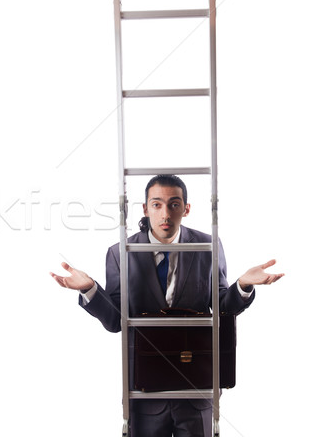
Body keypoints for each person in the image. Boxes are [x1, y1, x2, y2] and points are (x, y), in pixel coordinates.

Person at [50, 174, 283, 437]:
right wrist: (89, 288)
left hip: (196, 387)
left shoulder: (207, 245)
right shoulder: (120, 253)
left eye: (174, 204)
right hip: (144, 389)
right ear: (146, 209)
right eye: (157, 204)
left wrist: (242, 285)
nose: (166, 214)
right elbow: (117, 321)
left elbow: (220, 308)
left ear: (186, 209)